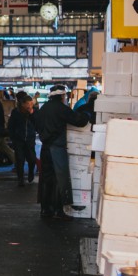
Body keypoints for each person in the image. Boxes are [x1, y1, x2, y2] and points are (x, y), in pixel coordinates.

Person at [33, 84, 90, 219]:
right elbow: (79, 121)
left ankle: (45, 209)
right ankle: (59, 211)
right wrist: (87, 114)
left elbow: (36, 125)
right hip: (57, 149)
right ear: (62, 96)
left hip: (45, 149)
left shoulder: (43, 108)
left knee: (46, 179)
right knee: (60, 179)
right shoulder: (61, 108)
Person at [8, 92, 38, 186]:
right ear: (23, 104)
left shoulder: (35, 111)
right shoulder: (16, 112)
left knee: (32, 159)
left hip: (30, 139)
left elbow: (38, 123)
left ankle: (30, 173)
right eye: (28, 104)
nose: (30, 106)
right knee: (20, 160)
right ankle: (20, 179)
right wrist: (13, 137)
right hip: (18, 139)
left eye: (31, 103)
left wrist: (32, 113)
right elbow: (11, 125)